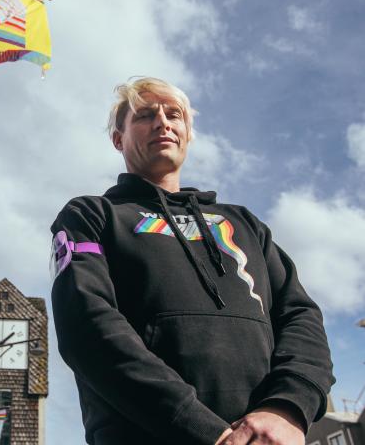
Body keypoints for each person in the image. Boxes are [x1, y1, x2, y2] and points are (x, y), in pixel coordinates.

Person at [49, 77, 334, 445]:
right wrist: (205, 430)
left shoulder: (244, 223)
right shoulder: (91, 216)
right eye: (145, 115)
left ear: (187, 134)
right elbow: (87, 326)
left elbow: (301, 316)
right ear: (118, 139)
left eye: (174, 115)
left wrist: (287, 409)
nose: (163, 123)